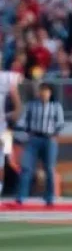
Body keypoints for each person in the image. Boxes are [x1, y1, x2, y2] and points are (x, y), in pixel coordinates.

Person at [16, 83, 64, 207]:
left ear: (50, 93)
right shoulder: (31, 105)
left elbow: (60, 123)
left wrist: (55, 134)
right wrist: (25, 131)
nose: (43, 94)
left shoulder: (56, 106)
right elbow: (22, 120)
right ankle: (21, 196)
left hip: (49, 139)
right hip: (34, 138)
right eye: (41, 91)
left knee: (49, 168)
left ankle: (49, 197)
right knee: (26, 168)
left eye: (46, 91)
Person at [0, 69, 23, 202]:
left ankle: (15, 189)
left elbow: (21, 80)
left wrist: (16, 112)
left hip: (6, 130)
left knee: (10, 159)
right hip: (6, 129)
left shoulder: (7, 78)